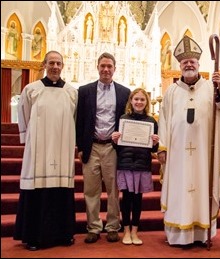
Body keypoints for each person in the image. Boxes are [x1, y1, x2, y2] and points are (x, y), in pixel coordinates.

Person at [157, 35, 220, 246]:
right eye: (185, 62)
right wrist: (162, 147)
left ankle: (201, 234)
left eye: (192, 61)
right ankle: (178, 235)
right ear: (180, 66)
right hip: (177, 154)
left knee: (203, 188)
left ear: (199, 65)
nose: (189, 64)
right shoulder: (171, 92)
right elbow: (163, 121)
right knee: (179, 188)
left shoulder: (212, 87)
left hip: (204, 154)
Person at [13, 50, 77, 251]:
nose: (55, 67)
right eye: (52, 63)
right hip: (39, 148)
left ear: (63, 66)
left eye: (59, 63)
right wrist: (26, 140)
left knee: (61, 190)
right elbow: (23, 115)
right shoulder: (31, 89)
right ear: (44, 65)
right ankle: (34, 236)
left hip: (62, 148)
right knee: (37, 191)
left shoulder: (71, 92)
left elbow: (74, 119)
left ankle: (63, 234)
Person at [76, 52, 131, 244]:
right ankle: (93, 226)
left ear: (115, 69)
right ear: (97, 67)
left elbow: (129, 121)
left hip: (112, 148)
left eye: (110, 66)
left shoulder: (125, 92)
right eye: (103, 66)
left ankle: (113, 226)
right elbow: (79, 120)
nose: (106, 69)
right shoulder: (84, 91)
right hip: (91, 146)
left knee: (113, 190)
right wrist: (80, 146)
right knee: (91, 190)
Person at [111, 88, 159, 246]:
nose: (139, 102)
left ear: (146, 103)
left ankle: (134, 232)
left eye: (142, 100)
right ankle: (125, 231)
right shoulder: (123, 118)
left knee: (138, 200)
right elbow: (118, 147)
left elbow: (153, 150)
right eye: (136, 99)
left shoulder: (152, 122)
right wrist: (115, 140)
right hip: (125, 164)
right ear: (131, 101)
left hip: (142, 165)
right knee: (126, 199)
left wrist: (155, 142)